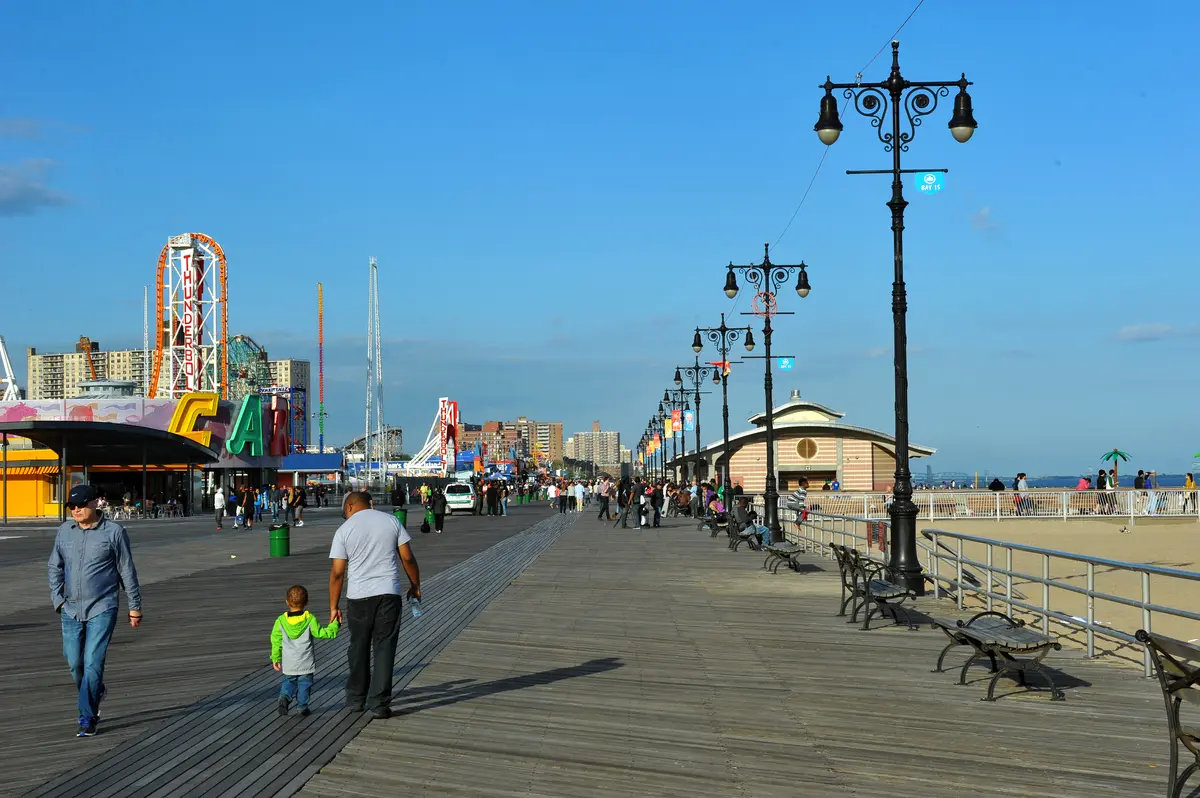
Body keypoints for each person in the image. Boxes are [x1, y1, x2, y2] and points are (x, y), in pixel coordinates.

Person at [47, 485, 143, 737]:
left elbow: (126, 570)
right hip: (70, 608)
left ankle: (87, 717)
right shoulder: (64, 532)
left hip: (103, 606)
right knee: (74, 662)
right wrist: (58, 599)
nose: (75, 509)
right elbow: (54, 567)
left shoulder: (114, 532)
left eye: (80, 504)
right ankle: (95, 690)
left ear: (94, 504)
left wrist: (134, 606)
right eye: (71, 506)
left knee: (92, 662)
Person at [328, 491, 421, 718]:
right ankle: (379, 703)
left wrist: (334, 606)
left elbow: (337, 573)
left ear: (350, 506)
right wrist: (415, 584)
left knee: (358, 646)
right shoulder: (391, 521)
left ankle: (356, 699)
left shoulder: (344, 530)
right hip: (388, 594)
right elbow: (407, 557)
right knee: (384, 647)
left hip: (358, 597)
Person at [271, 584, 339, 716]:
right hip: (306, 662)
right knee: (304, 685)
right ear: (306, 602)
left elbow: (275, 640)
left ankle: (284, 697)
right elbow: (322, 633)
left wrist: (276, 658)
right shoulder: (310, 619)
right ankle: (302, 707)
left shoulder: (280, 621)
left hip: (289, 662)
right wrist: (335, 624)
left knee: (289, 681)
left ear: (287, 602)